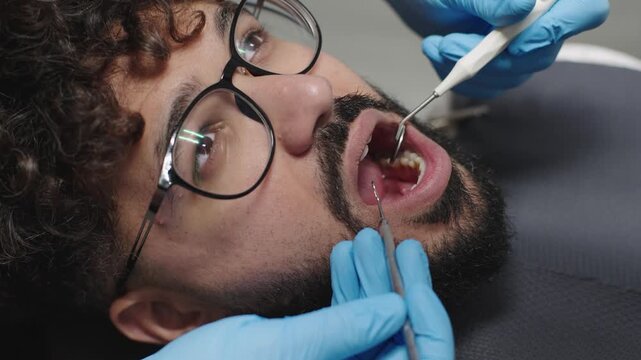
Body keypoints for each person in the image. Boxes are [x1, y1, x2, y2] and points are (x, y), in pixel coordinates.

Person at [0, 0, 608, 358]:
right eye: (203, 144)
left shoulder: (591, 93)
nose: (311, 91)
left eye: (252, 41)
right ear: (173, 315)